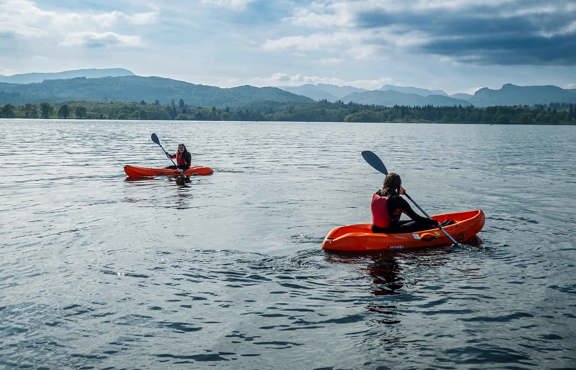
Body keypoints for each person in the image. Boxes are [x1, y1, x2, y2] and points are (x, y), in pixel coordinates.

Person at [371, 172, 439, 233]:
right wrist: (434, 222)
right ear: (398, 185)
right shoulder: (398, 200)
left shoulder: (378, 193)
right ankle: (436, 228)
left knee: (409, 222)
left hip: (376, 228)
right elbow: (416, 218)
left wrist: (398, 190)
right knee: (421, 223)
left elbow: (388, 198)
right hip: (390, 231)